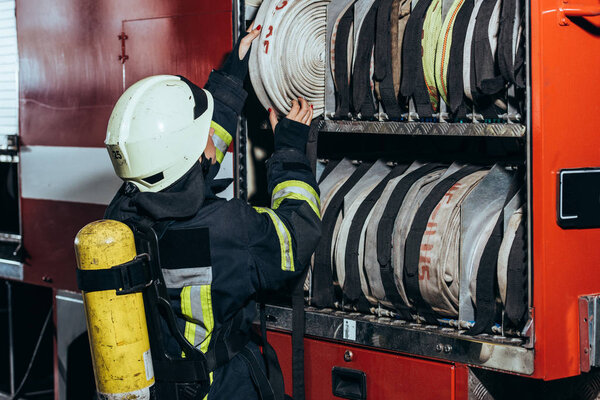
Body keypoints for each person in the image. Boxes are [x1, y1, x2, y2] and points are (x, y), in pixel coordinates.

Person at [103, 24, 321, 400]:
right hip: (220, 388)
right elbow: (297, 233)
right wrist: (289, 151)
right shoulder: (228, 229)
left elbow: (184, 158)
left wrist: (233, 76)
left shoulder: (123, 211)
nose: (211, 144)